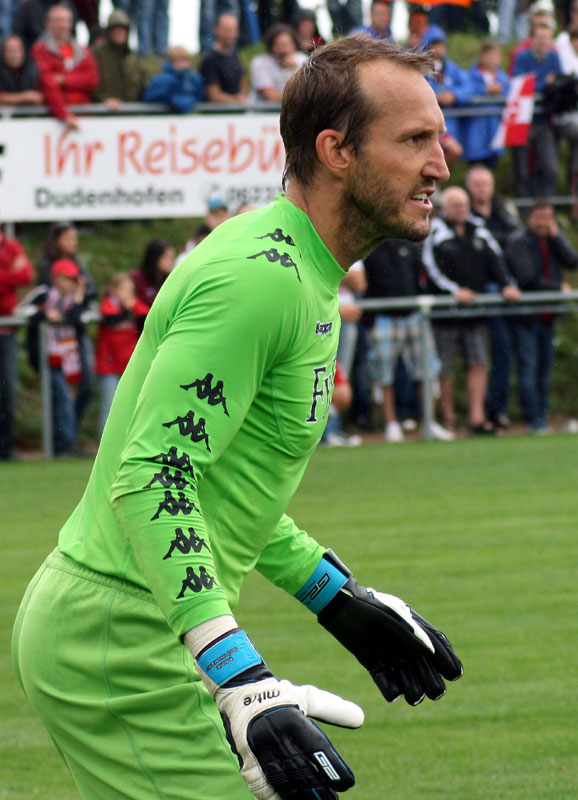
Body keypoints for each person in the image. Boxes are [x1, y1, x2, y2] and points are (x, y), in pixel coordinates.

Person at [12, 39, 463, 800]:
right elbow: (154, 474)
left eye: (438, 137)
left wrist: (332, 593)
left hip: (135, 624)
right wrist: (240, 676)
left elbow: (222, 484)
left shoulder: (300, 272)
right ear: (337, 151)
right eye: (415, 139)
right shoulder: (262, 280)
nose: (440, 165)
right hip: (120, 639)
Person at [422, 186, 520, 435]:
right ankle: (449, 419)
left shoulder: (478, 228)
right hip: (446, 311)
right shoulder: (436, 231)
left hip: (474, 309)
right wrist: (454, 292)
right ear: (445, 208)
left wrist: (507, 284)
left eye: (464, 206)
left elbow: (496, 257)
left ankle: (476, 418)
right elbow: (431, 267)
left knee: (478, 362)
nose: (461, 210)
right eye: (456, 206)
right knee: (444, 366)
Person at [363, 238, 454, 442]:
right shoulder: (371, 246)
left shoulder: (407, 244)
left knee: (427, 370)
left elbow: (418, 276)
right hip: (383, 316)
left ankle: (429, 422)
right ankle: (391, 424)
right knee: (383, 374)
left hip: (413, 315)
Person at [504, 201, 578, 432]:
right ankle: (533, 420)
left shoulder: (551, 240)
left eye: (548, 218)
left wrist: (557, 237)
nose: (543, 223)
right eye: (539, 217)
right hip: (527, 316)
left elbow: (573, 261)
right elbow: (527, 278)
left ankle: (542, 416)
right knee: (529, 368)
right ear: (530, 218)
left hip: (549, 315)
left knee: (545, 369)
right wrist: (558, 288)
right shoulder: (518, 241)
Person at [465, 165, 521, 430]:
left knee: (507, 352)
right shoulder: (466, 218)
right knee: (483, 356)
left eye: (486, 184)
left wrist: (511, 283)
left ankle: (499, 410)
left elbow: (514, 246)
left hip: (507, 290)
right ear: (469, 188)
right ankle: (482, 413)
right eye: (477, 184)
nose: (482, 189)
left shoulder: (504, 213)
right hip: (481, 292)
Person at [43, 257, 89, 454]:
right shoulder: (44, 295)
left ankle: (67, 441)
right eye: (68, 279)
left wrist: (78, 297)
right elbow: (25, 311)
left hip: (69, 357)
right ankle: (64, 444)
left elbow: (75, 318)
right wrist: (44, 314)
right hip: (50, 357)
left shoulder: (73, 300)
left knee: (71, 396)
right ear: (57, 279)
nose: (72, 283)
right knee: (62, 399)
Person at [511, 23, 562, 197]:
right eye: (540, 38)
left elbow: (560, 84)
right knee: (522, 171)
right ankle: (524, 211)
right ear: (531, 39)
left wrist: (540, 84)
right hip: (522, 121)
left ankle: (548, 209)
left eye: (547, 38)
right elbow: (521, 84)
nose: (543, 42)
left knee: (550, 169)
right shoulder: (521, 57)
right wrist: (545, 84)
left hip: (544, 120)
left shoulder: (554, 57)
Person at [95, 272, 149, 434]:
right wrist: (130, 311)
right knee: (109, 404)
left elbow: (147, 316)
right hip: (109, 365)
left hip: (127, 363)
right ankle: (105, 440)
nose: (128, 295)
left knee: (130, 404)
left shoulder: (133, 305)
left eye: (131, 290)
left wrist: (132, 308)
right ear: (113, 290)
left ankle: (125, 438)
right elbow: (111, 319)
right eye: (124, 290)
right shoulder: (109, 304)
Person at [30, 2, 99, 129]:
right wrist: (64, 115)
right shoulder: (40, 50)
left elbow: (92, 79)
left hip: (85, 117)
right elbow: (48, 83)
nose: (64, 25)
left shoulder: (81, 50)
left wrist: (64, 80)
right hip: (55, 121)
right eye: (59, 21)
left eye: (67, 21)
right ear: (48, 23)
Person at [0, 222, 34, 461]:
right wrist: (10, 275)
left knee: (8, 390)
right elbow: (17, 275)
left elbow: (27, 275)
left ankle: (6, 447)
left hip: (7, 331)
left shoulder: (10, 246)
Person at [422, 25, 473, 166]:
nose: (438, 48)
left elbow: (469, 87)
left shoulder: (452, 68)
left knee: (445, 155)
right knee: (453, 151)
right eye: (434, 44)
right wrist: (435, 97)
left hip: (448, 124)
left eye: (441, 44)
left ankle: (434, 184)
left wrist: (454, 95)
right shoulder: (421, 68)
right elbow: (416, 90)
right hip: (430, 123)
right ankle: (434, 184)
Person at [463, 40, 510, 166]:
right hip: (476, 131)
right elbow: (466, 92)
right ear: (481, 57)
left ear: (500, 58)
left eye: (494, 56)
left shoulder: (504, 79)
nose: (491, 59)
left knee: (491, 168)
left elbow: (511, 96)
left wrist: (501, 91)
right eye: (488, 56)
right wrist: (485, 90)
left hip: (494, 131)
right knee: (475, 167)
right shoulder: (470, 76)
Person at [91, 9, 146, 111]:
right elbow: (91, 82)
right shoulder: (97, 54)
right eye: (115, 29)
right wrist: (104, 99)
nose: (119, 33)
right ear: (109, 32)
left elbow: (140, 85)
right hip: (103, 111)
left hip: (130, 111)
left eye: (122, 29)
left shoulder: (133, 57)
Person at [249, 23, 307, 102]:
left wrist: (294, 69)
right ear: (271, 47)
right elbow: (270, 96)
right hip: (262, 112)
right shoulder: (260, 63)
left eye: (287, 45)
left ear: (294, 45)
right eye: (279, 45)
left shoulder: (303, 60)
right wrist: (300, 97)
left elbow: (307, 89)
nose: (284, 50)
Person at [199, 12, 248, 104]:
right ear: (216, 30)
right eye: (226, 30)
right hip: (217, 114)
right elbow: (213, 95)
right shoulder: (209, 59)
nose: (230, 34)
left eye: (233, 30)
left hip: (237, 111)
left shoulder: (236, 53)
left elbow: (242, 78)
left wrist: (242, 95)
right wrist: (237, 100)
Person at [143, 45, 205, 113]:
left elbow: (201, 96)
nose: (182, 64)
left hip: (188, 118)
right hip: (163, 119)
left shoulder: (195, 79)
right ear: (170, 62)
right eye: (177, 61)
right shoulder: (162, 80)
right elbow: (150, 98)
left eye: (184, 60)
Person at [130, 238, 176, 307]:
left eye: (172, 258)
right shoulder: (136, 278)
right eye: (167, 258)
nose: (171, 262)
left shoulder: (169, 280)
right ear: (155, 257)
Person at [0, 34, 43, 105]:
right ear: (3, 53)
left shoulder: (34, 69)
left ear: (24, 52)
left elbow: (40, 97)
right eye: (10, 51)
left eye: (17, 50)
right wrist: (25, 97)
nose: (14, 55)